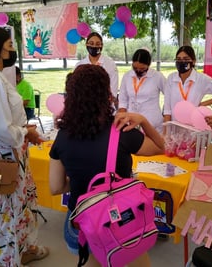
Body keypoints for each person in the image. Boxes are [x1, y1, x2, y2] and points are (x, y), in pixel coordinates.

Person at [49, 64, 164, 267]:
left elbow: (55, 187)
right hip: (123, 220)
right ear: (107, 94)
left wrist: (81, 180)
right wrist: (144, 121)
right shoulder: (121, 129)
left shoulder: (63, 136)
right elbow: (159, 147)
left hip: (81, 226)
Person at [0, 26, 49, 267]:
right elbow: (0, 129)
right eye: (9, 46)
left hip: (14, 153)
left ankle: (24, 250)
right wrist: (27, 131)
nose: (13, 51)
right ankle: (9, 260)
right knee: (10, 211)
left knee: (20, 207)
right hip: (6, 157)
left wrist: (26, 133)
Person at [163, 45, 212, 122]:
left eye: (186, 59)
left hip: (193, 127)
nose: (182, 62)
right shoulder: (171, 78)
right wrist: (166, 130)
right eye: (178, 59)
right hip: (174, 127)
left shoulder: (201, 79)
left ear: (193, 61)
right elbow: (167, 109)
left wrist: (203, 104)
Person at [118, 48, 166, 133]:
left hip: (152, 122)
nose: (138, 71)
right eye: (135, 68)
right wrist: (121, 119)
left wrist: (165, 113)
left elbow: (169, 96)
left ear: (149, 64)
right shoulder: (127, 76)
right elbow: (122, 100)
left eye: (142, 68)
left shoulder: (157, 76)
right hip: (131, 122)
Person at [75, 32, 119, 106]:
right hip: (84, 107)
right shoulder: (79, 65)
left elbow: (113, 89)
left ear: (102, 46)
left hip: (104, 106)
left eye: (98, 44)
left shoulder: (110, 64)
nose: (94, 46)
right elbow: (76, 88)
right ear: (86, 44)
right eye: (91, 43)